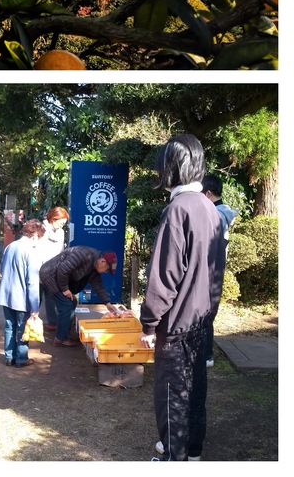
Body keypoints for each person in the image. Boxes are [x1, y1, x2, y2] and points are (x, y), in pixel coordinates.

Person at [139, 134, 226, 462]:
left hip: (175, 328)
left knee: (172, 397)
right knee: (193, 394)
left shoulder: (178, 209)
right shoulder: (209, 208)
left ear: (169, 168)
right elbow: (216, 276)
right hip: (201, 324)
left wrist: (149, 325)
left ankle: (174, 460)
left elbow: (164, 278)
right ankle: (192, 454)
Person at [39, 245, 119, 346]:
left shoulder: (94, 266)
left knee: (72, 302)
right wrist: (65, 289)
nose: (105, 272)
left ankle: (64, 334)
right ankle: (60, 339)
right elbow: (63, 270)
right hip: (50, 275)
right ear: (103, 261)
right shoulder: (84, 255)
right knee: (66, 305)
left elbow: (98, 286)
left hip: (58, 277)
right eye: (107, 269)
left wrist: (107, 303)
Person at [0, 218, 46, 367]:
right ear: (35, 235)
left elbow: (1, 270)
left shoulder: (10, 246)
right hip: (21, 298)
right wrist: (35, 308)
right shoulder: (31, 252)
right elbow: (32, 282)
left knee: (9, 326)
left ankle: (8, 357)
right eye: (40, 238)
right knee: (23, 328)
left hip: (6, 295)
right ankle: (21, 359)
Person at [201, 174, 238, 367]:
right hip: (216, 269)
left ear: (208, 193)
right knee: (207, 311)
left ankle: (206, 355)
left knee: (205, 312)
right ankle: (205, 353)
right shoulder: (222, 213)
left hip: (210, 269)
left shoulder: (216, 215)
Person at [39, 207, 69, 331]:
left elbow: (61, 252)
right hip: (39, 270)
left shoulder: (61, 232)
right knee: (36, 298)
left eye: (64, 224)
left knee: (51, 298)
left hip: (53, 272)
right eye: (61, 222)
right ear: (53, 219)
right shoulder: (42, 229)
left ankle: (53, 323)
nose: (62, 226)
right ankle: (28, 322)